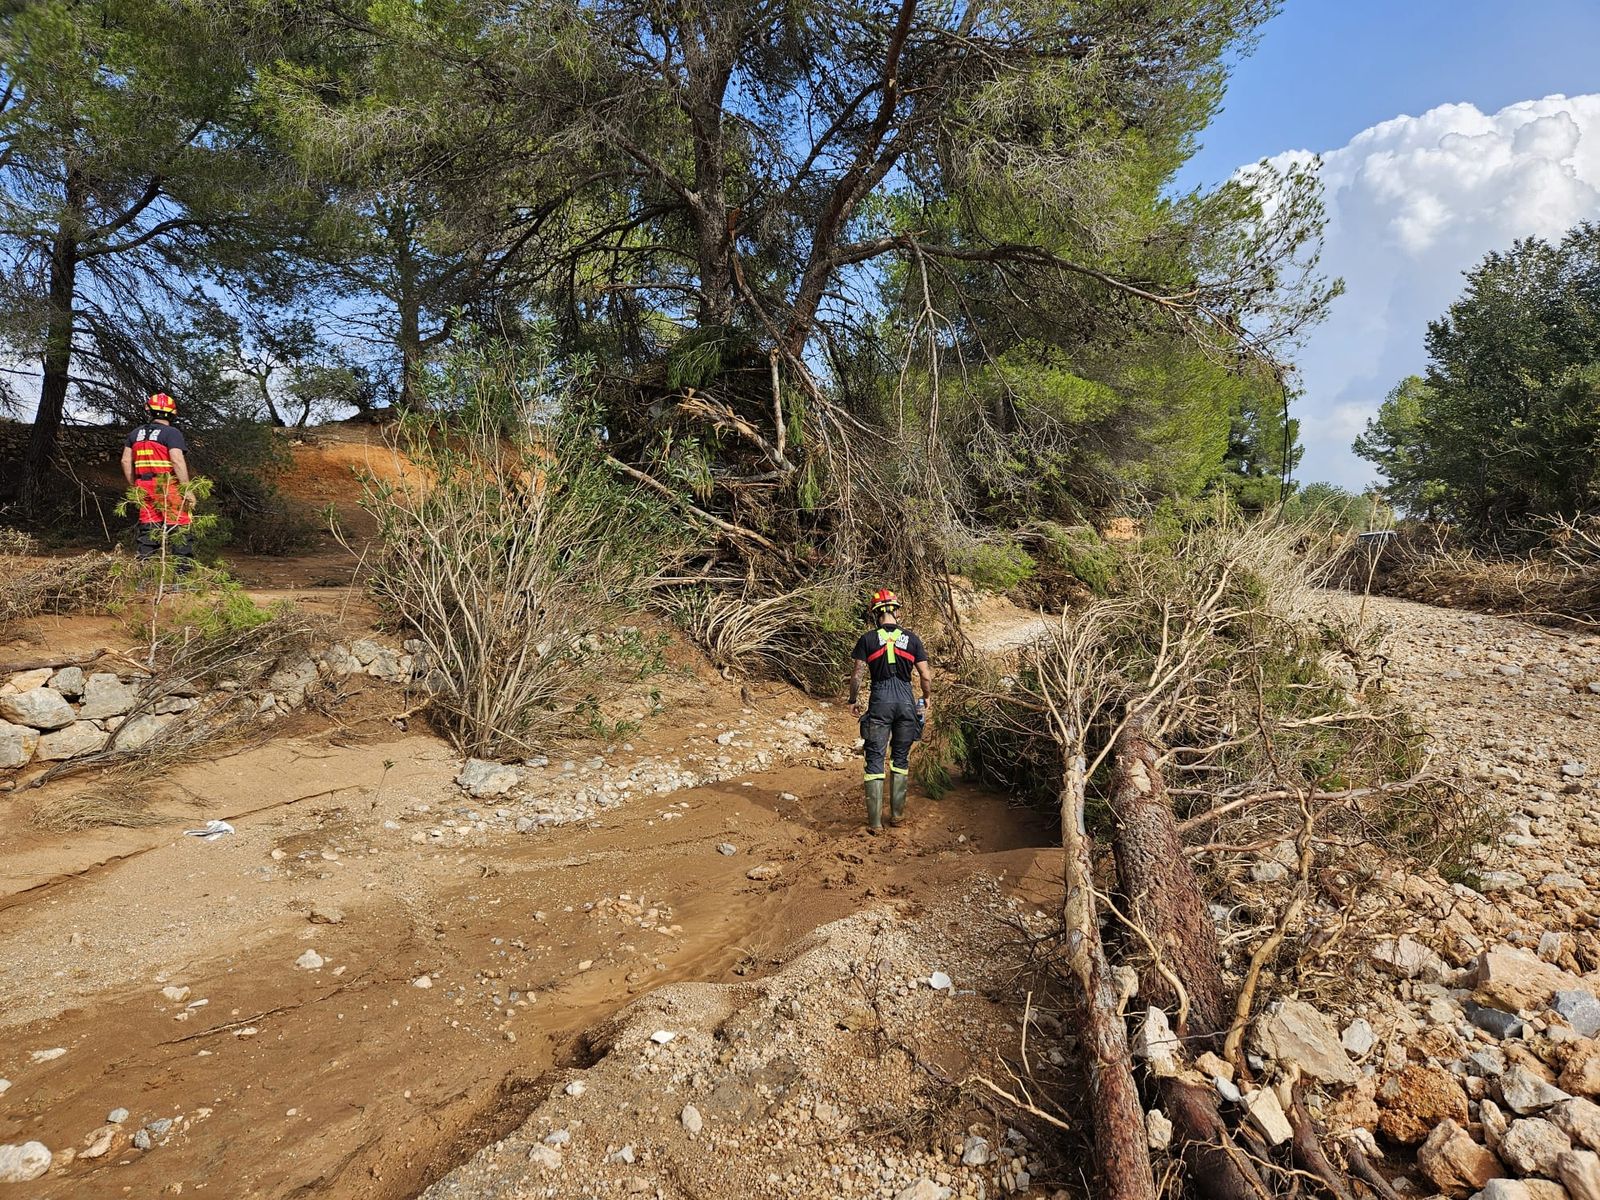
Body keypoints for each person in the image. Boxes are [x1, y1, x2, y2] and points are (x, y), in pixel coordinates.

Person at [848, 588, 932, 834]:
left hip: (880, 699)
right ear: (895, 610)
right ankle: (897, 815)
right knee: (900, 758)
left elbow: (857, 675)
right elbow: (925, 675)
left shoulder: (867, 639)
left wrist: (852, 699)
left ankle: (874, 823)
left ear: (875, 614)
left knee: (875, 757)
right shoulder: (913, 639)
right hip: (906, 700)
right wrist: (926, 697)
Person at [120, 392, 194, 574]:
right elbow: (177, 460)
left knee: (148, 530)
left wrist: (134, 486)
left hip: (143, 486)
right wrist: (187, 489)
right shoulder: (172, 433)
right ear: (172, 413)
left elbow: (125, 461)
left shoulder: (135, 434)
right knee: (179, 529)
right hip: (168, 485)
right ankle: (182, 579)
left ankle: (145, 578)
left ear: (149, 410)